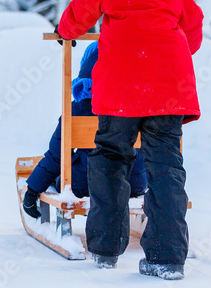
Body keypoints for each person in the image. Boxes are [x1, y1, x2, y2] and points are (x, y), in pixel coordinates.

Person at [56, 0, 203, 280]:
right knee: (165, 165)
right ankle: (167, 257)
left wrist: (63, 30)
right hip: (169, 86)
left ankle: (104, 249)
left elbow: (76, 19)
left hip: (120, 84)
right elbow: (193, 34)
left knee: (110, 157)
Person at [22, 42, 148, 218]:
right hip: (132, 184)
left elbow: (57, 155)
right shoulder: (140, 105)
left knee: (62, 173)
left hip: (85, 185)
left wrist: (33, 190)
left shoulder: (77, 109)